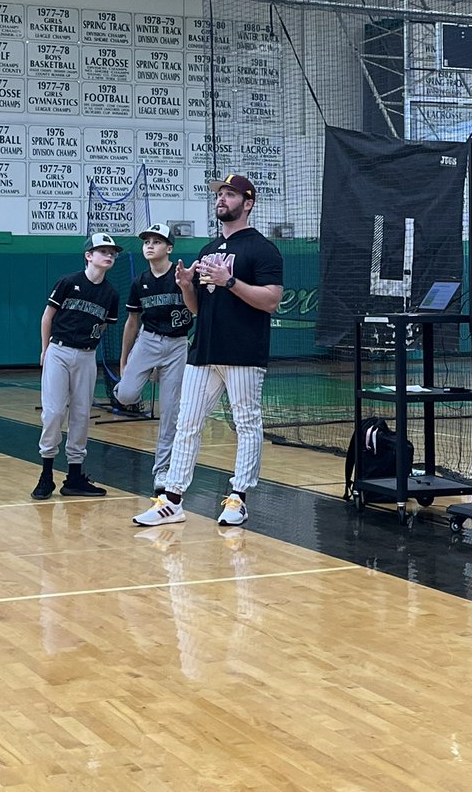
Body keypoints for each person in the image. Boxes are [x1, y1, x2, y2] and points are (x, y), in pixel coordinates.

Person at [133, 173, 283, 527]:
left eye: (230, 194)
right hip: (204, 350)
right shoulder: (207, 250)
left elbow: (272, 300)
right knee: (187, 424)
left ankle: (238, 498)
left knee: (246, 424)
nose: (221, 199)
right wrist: (187, 287)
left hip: (244, 352)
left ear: (248, 203)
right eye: (220, 194)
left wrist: (229, 281)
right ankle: (171, 500)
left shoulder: (262, 249)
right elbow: (199, 307)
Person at [32, 231, 121, 500]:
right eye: (103, 251)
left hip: (86, 356)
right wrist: (45, 349)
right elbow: (48, 315)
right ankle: (46, 474)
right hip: (58, 351)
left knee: (81, 415)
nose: (109, 255)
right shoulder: (69, 282)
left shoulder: (111, 294)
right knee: (54, 412)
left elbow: (104, 326)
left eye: (112, 253)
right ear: (88, 255)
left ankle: (74, 477)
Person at [114, 223, 194, 494]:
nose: (149, 245)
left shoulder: (182, 275)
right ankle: (149, 371)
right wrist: (124, 361)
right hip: (148, 341)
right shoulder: (140, 282)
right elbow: (132, 322)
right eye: (146, 241)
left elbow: (199, 310)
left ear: (169, 248)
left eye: (156, 241)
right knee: (125, 395)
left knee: (170, 411)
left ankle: (162, 470)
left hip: (177, 344)